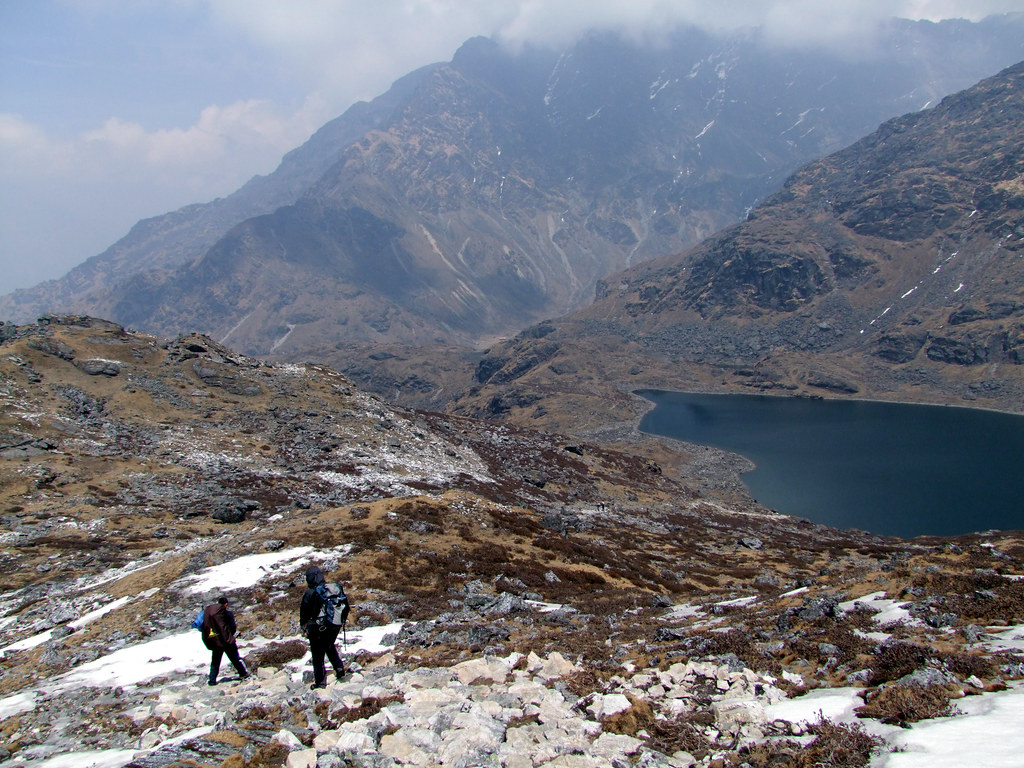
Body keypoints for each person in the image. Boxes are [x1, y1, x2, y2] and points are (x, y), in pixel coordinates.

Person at [300, 565, 345, 689]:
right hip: (334, 625)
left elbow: (304, 613)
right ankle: (339, 668)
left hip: (318, 628)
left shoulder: (310, 593)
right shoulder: (331, 589)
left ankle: (320, 682)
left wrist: (304, 627)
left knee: (317, 655)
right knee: (329, 646)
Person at [201, 596, 249, 686]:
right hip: (227, 640)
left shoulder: (211, 615)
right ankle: (243, 673)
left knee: (215, 661)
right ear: (226, 604)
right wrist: (229, 635)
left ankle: (212, 680)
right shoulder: (228, 614)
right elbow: (233, 627)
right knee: (235, 658)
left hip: (216, 641)